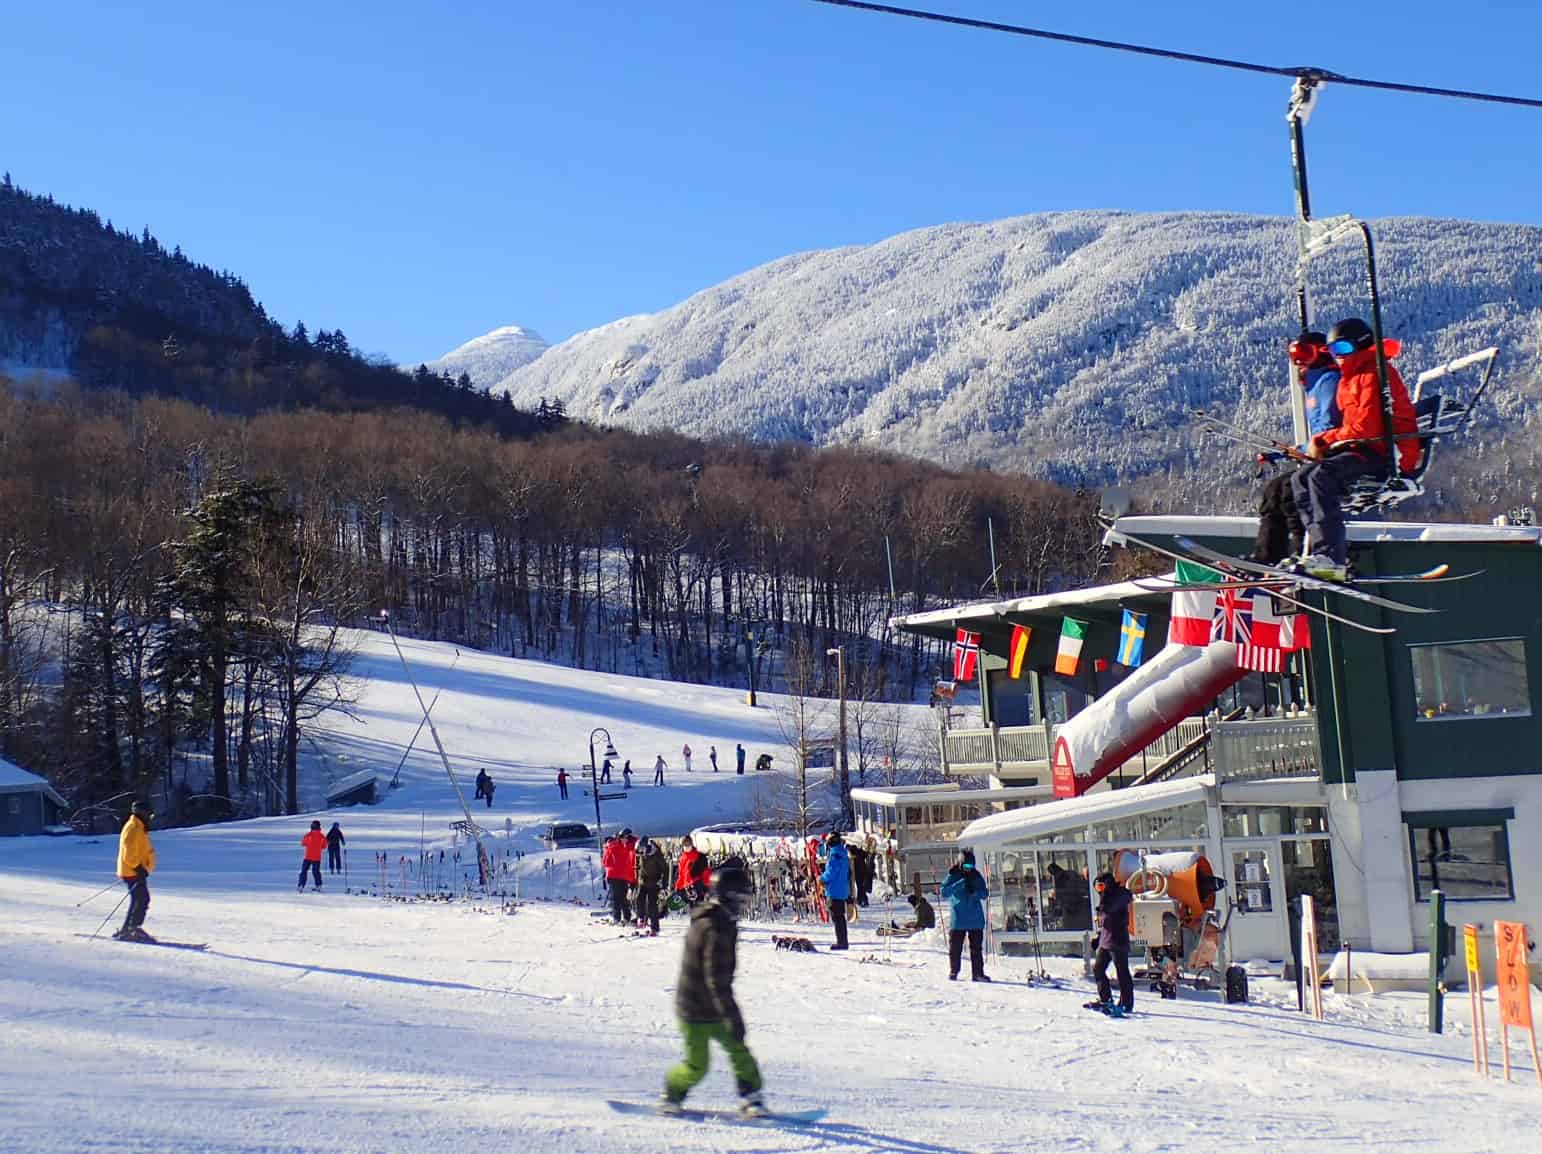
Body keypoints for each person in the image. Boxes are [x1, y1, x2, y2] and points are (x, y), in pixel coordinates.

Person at [1292, 317, 1419, 581]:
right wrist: (1326, 444)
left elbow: (1366, 428)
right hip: (1362, 448)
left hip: (1387, 452)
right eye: (1333, 351)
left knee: (1322, 477)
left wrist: (1325, 441)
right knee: (1300, 478)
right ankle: (1318, 551)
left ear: (1361, 345)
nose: (1339, 356)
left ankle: (1332, 557)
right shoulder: (1349, 379)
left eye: (1344, 349)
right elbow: (1352, 427)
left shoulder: (1375, 374)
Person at [659, 865, 766, 1118]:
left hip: (714, 1006)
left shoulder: (722, 922)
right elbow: (715, 980)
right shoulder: (713, 928)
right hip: (694, 1008)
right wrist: (732, 1015)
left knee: (739, 1051)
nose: (742, 907)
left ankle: (751, 1096)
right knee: (698, 1065)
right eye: (740, 900)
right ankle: (672, 1092)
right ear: (728, 897)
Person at [1250, 331, 1342, 564]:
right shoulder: (1315, 384)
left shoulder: (1329, 381)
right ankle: (1267, 556)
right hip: (1323, 451)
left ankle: (1307, 554)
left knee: (1292, 489)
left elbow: (1330, 428)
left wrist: (1310, 447)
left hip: (1335, 454)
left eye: (1304, 354)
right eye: (1294, 356)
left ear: (1322, 353)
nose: (1298, 361)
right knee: (1274, 490)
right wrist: (1286, 451)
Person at [941, 849, 990, 981]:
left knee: (976, 949)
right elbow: (944, 892)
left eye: (971, 866)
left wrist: (976, 893)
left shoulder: (976, 875)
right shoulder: (953, 874)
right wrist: (959, 884)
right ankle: (954, 971)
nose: (969, 869)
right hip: (958, 919)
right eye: (966, 866)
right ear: (960, 863)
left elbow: (985, 893)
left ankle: (978, 973)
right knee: (955, 948)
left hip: (975, 918)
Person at [1091, 871, 1135, 1014]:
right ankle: (1106, 998)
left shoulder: (1119, 895)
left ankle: (1127, 1003)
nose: (1099, 891)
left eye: (1101, 887)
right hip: (1106, 940)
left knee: (1122, 972)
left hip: (1118, 940)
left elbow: (1110, 908)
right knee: (1098, 969)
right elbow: (1104, 920)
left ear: (1108, 884)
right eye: (1097, 888)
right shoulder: (1106, 898)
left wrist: (1104, 898)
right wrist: (1098, 937)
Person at [115, 800, 157, 941]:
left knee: (138, 899)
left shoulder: (139, 827)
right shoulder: (134, 828)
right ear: (142, 813)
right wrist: (138, 868)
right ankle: (133, 929)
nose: (150, 817)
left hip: (134, 870)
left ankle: (127, 929)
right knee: (142, 898)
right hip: (132, 871)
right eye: (149, 814)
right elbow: (129, 853)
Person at [819, 832, 851, 951]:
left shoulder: (835, 855)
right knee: (839, 917)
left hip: (834, 890)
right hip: (841, 889)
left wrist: (822, 878)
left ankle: (841, 942)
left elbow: (831, 872)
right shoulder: (842, 853)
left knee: (837, 918)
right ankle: (843, 941)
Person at [637, 838, 668, 935]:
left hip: (654, 883)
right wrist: (640, 877)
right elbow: (641, 868)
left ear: (647, 847)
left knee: (652, 905)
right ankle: (642, 918)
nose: (642, 851)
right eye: (640, 849)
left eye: (643, 849)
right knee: (639, 898)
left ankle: (655, 927)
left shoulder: (656, 855)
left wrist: (664, 885)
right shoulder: (642, 855)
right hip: (644, 882)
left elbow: (665, 870)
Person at [675, 835, 711, 903]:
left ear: (692, 844)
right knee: (690, 907)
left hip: (697, 886)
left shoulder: (700, 856)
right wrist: (678, 887)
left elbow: (706, 872)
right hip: (687, 888)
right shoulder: (682, 858)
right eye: (685, 844)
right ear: (682, 846)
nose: (687, 846)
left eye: (688, 844)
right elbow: (681, 875)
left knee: (698, 906)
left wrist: (706, 887)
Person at [299, 820, 326, 891]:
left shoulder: (308, 835)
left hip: (308, 856)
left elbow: (303, 843)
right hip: (317, 857)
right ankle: (318, 885)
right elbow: (324, 846)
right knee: (316, 872)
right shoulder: (322, 836)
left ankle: (301, 885)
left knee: (304, 871)